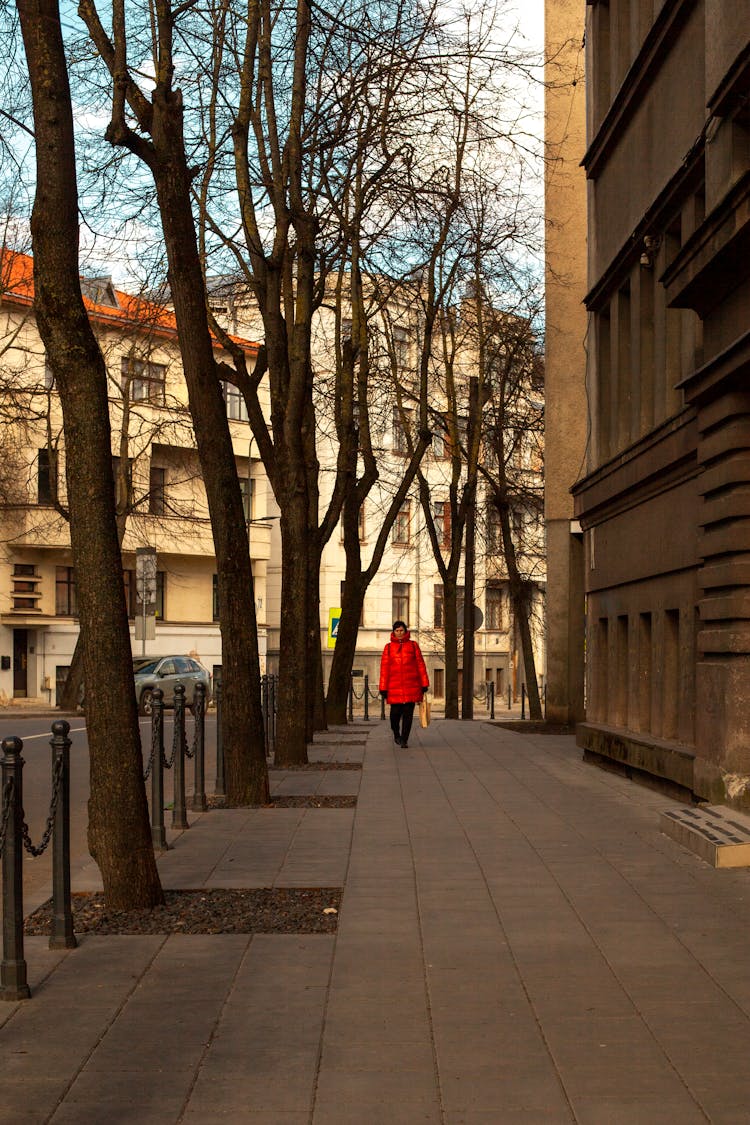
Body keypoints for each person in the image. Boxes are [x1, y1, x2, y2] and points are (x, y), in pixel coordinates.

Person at [379, 620, 429, 748]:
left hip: (412, 687)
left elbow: (420, 665)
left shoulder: (413, 646)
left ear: (405, 631)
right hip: (394, 688)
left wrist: (424, 684)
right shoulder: (388, 648)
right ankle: (396, 734)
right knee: (394, 715)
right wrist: (383, 688)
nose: (399, 633)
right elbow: (384, 669)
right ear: (393, 632)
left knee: (408, 715)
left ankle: (404, 740)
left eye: (401, 630)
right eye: (397, 631)